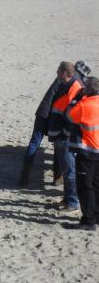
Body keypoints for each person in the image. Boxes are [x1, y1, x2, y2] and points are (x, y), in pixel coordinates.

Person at [19, 59, 91, 187]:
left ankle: (23, 179)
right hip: (51, 114)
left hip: (43, 112)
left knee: (34, 143)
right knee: (57, 143)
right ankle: (57, 178)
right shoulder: (73, 82)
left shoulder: (66, 79)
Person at [48, 62, 85, 215]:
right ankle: (67, 199)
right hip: (61, 137)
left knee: (70, 172)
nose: (56, 73)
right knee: (66, 171)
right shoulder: (66, 85)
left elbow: (72, 117)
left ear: (64, 73)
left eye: (58, 71)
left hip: (66, 138)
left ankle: (72, 203)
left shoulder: (73, 88)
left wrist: (63, 133)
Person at [63, 77, 99, 231]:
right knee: (97, 185)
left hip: (88, 153)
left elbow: (69, 115)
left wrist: (77, 98)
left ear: (87, 90)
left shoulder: (84, 105)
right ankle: (96, 217)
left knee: (85, 187)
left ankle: (88, 221)